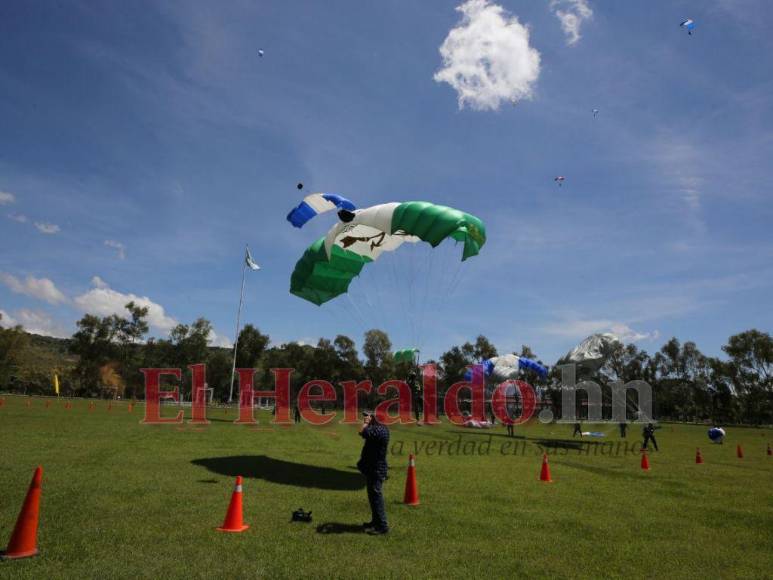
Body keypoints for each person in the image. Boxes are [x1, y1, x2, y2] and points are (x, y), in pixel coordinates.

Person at [357, 411, 390, 535]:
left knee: (376, 497)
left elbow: (364, 432)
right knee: (372, 496)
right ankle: (375, 522)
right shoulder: (378, 428)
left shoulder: (381, 430)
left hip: (377, 468)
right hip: (372, 467)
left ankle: (382, 526)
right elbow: (364, 433)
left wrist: (366, 423)